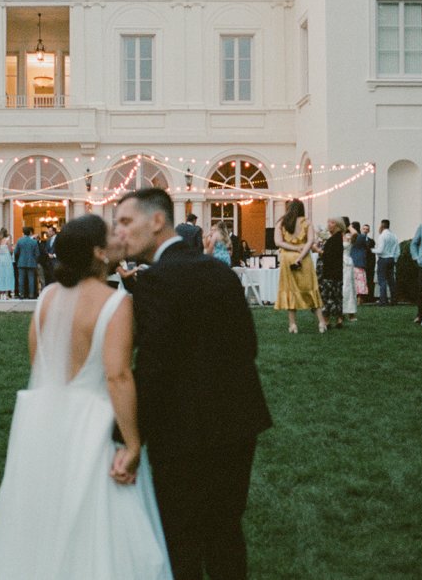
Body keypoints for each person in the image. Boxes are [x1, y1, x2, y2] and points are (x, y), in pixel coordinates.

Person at [0, 214, 172, 579]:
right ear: (98, 252)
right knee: (101, 525)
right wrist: (132, 445)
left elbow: (40, 364)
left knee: (42, 520)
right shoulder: (116, 303)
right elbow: (118, 376)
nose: (119, 237)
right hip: (94, 426)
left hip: (42, 424)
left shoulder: (47, 297)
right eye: (111, 235)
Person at [114, 188, 272, 580]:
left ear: (157, 221)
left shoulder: (154, 281)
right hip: (238, 422)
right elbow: (248, 346)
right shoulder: (219, 271)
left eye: (126, 222)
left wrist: (129, 438)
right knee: (226, 532)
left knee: (181, 538)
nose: (120, 233)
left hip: (182, 430)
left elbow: (153, 368)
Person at [274, 198, 328, 334]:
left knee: (290, 290)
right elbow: (310, 242)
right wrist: (300, 255)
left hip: (287, 258)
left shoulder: (281, 222)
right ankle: (321, 322)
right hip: (304, 259)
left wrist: (293, 248)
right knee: (310, 288)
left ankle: (293, 325)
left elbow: (278, 242)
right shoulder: (307, 222)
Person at [317, 217, 345, 328]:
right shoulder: (337, 238)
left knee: (328, 296)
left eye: (332, 222)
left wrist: (317, 250)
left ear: (338, 225)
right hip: (337, 272)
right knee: (337, 296)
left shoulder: (334, 239)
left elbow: (328, 256)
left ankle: (326, 320)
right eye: (328, 222)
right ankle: (338, 319)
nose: (329, 224)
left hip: (330, 272)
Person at [373, 219, 400, 306]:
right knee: (391, 280)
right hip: (391, 259)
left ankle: (383, 300)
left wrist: (372, 250)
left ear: (382, 225)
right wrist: (395, 259)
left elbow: (380, 250)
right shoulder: (394, 236)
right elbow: (397, 250)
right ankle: (394, 299)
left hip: (383, 259)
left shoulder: (382, 236)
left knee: (382, 280)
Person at [13, 226, 40, 299]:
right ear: (30, 233)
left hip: (21, 262)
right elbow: (37, 254)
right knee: (31, 279)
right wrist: (35, 260)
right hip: (31, 262)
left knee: (21, 279)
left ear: (23, 232)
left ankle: (21, 294)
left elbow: (16, 252)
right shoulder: (34, 242)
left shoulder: (20, 241)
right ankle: (31, 294)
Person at [341, 222, 358, 322]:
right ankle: (340, 312)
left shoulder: (349, 236)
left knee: (348, 286)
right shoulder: (336, 236)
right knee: (339, 286)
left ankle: (351, 312)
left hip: (347, 263)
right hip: (337, 263)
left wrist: (348, 226)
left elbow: (355, 233)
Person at [0, 227, 15, 299]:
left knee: (0, 274)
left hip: (0, 258)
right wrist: (12, 249)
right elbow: (10, 250)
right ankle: (6, 293)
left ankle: (1, 293)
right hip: (6, 258)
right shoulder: (7, 240)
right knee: (7, 274)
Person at [361, 223, 376, 302]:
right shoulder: (358, 240)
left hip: (369, 264)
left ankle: (369, 297)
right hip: (362, 263)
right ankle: (362, 297)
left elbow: (372, 254)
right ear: (361, 229)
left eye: (367, 229)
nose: (365, 231)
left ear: (369, 231)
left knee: (369, 280)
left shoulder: (371, 241)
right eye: (364, 229)